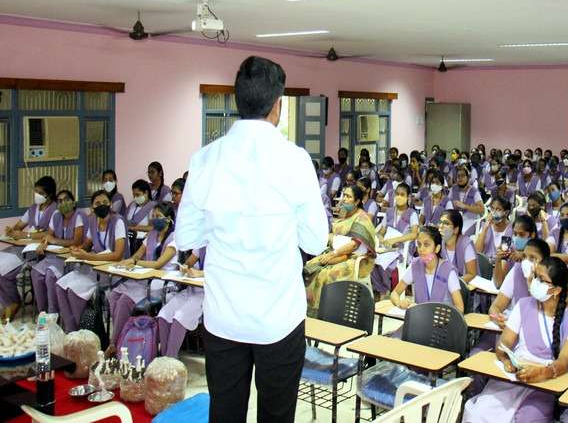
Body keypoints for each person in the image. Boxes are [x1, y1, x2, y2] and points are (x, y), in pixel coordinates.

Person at [176, 56, 328, 423]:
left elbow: (187, 235)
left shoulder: (205, 159)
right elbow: (316, 240)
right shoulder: (295, 160)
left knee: (225, 412)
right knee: (276, 415)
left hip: (224, 314)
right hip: (278, 316)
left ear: (236, 102)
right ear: (278, 106)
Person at [462, 257, 568, 423]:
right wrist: (506, 360)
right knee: (479, 414)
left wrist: (541, 372)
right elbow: (503, 345)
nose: (534, 282)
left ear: (556, 290)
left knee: (527, 419)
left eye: (542, 280)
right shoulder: (523, 305)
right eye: (535, 276)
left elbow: (563, 361)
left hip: (545, 384)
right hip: (513, 377)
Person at [55, 190, 128, 331]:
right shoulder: (93, 220)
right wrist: (78, 250)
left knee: (72, 291)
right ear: (92, 207)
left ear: (111, 204)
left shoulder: (118, 221)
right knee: (60, 285)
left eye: (105, 202)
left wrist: (88, 256)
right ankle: (71, 328)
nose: (102, 205)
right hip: (93, 267)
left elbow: (118, 255)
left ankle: (81, 330)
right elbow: (87, 244)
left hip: (112, 270)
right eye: (98, 203)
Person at [108, 202, 178, 345]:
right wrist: (127, 261)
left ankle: (114, 344)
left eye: (158, 216)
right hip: (144, 278)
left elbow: (158, 264)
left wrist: (135, 263)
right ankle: (122, 337)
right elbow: (138, 255)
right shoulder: (152, 234)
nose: (154, 219)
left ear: (169, 218)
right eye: (153, 216)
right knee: (113, 295)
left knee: (124, 301)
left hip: (160, 282)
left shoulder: (174, 238)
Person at [305, 183, 377, 311]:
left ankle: (328, 311)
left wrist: (333, 254)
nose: (344, 199)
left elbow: (354, 245)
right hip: (339, 252)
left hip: (356, 258)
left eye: (349, 197)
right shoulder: (345, 213)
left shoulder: (362, 218)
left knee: (325, 274)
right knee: (310, 267)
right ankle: (309, 309)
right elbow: (337, 234)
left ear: (357, 201)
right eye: (344, 195)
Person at [1, 176, 58, 319]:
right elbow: (19, 225)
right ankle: (8, 302)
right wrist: (11, 230)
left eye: (40, 192)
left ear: (49, 194)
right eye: (36, 191)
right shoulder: (33, 209)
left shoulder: (55, 211)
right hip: (22, 248)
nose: (36, 195)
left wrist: (25, 235)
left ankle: (14, 301)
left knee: (4, 271)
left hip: (38, 252)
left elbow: (49, 233)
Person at [31, 189, 84, 314]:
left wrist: (54, 241)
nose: (63, 203)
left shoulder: (79, 216)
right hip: (55, 256)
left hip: (71, 258)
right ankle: (42, 312)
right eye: (59, 201)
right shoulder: (56, 216)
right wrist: (43, 244)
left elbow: (76, 241)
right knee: (35, 272)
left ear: (73, 202)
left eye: (66, 200)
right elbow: (48, 236)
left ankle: (53, 313)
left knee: (50, 275)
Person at [390, 226, 464, 313]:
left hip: (442, 322)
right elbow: (394, 294)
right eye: (419, 244)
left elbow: (460, 308)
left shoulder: (448, 270)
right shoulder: (415, 265)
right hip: (420, 319)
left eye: (426, 244)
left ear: (437, 248)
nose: (421, 249)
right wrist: (400, 303)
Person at [157, 247, 205, 358]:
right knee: (163, 315)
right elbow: (189, 262)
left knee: (180, 317)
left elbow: (222, 271)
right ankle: (165, 358)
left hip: (207, 293)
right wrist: (185, 267)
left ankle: (170, 360)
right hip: (191, 288)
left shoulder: (220, 245)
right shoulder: (201, 245)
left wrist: (200, 273)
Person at [438, 210, 477, 283]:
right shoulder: (439, 243)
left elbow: (472, 274)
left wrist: (452, 284)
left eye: (446, 223)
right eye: (440, 222)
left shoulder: (466, 244)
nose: (441, 226)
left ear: (456, 229)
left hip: (466, 289)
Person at [448, 165, 485, 235]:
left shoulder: (474, 191)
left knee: (460, 232)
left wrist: (465, 206)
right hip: (456, 218)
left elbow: (481, 209)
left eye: (463, 176)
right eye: (458, 176)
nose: (460, 178)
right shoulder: (453, 189)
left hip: (471, 220)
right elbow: (448, 203)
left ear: (468, 178)